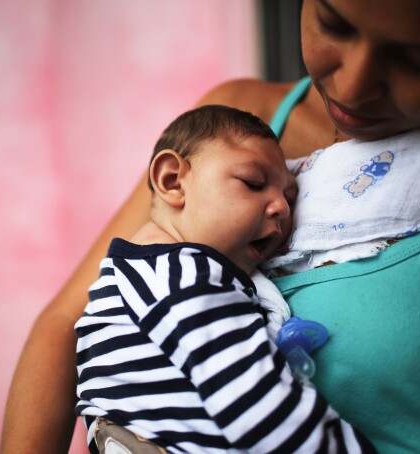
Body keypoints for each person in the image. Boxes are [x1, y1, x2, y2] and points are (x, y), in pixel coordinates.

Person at [1, 0, 420, 452]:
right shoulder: (227, 133)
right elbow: (66, 323)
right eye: (336, 24)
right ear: (172, 179)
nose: (354, 85)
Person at [75, 105, 372, 453]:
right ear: (173, 181)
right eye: (253, 183)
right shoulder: (181, 276)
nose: (282, 208)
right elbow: (261, 406)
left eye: (290, 198)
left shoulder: (135, 275)